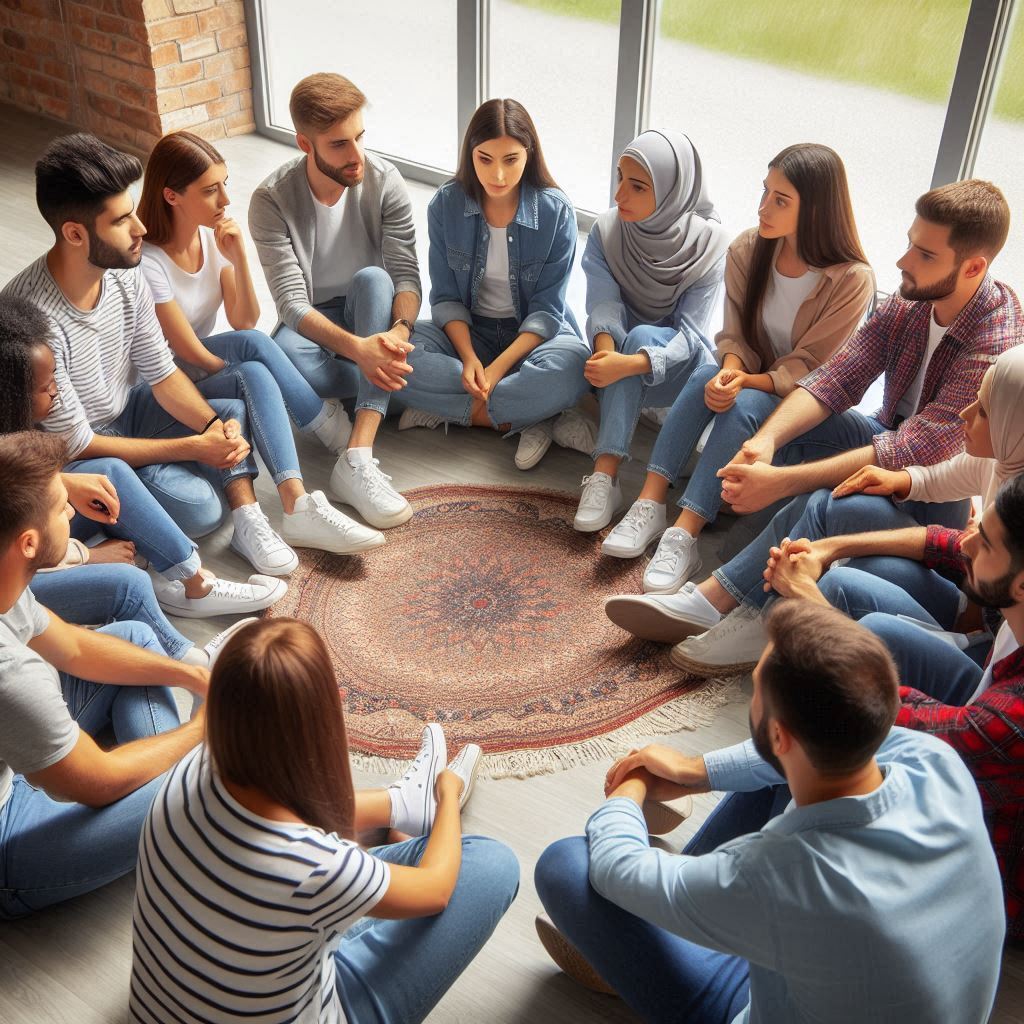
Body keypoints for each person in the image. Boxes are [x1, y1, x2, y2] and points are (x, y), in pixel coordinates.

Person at [605, 179, 1019, 658]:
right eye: (909, 243)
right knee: (750, 408)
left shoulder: (996, 338)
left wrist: (780, 481)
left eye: (924, 254)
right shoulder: (912, 296)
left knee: (824, 499)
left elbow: (913, 450)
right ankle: (685, 534)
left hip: (928, 486)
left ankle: (738, 607)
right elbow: (839, 377)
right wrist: (765, 443)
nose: (904, 261)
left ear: (973, 267)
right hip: (885, 437)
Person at [534, 601, 1004, 1022]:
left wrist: (631, 787)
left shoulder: (782, 873)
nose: (751, 693)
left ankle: (649, 939)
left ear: (780, 736)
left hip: (774, 952)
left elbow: (619, 869)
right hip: (848, 961)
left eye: (755, 687)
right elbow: (791, 756)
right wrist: (696, 771)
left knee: (567, 865)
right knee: (780, 778)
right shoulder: (936, 761)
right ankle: (683, 912)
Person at [3, 132, 385, 584]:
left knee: (231, 411)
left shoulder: (124, 275)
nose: (140, 228)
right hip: (83, 453)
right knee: (203, 511)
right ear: (74, 233)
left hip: (131, 410)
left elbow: (163, 375)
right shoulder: (34, 325)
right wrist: (194, 446)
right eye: (123, 220)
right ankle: (168, 530)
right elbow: (79, 444)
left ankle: (284, 509)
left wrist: (211, 429)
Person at [130, 617, 519, 1024]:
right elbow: (435, 891)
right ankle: (418, 806)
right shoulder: (315, 867)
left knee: (334, 899)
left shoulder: (186, 771)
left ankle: (401, 806)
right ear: (325, 712)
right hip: (316, 994)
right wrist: (448, 791)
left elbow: (277, 810)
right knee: (490, 866)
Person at [764, 473, 1024, 940]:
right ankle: (736, 869)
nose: (967, 544)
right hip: (974, 734)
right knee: (866, 628)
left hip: (985, 878)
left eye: (984, 542)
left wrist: (806, 601)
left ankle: (756, 897)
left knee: (822, 727)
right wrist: (828, 548)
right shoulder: (1013, 593)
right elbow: (939, 540)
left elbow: (880, 711)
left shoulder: (1009, 719)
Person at [598, 145, 873, 576]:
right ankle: (649, 503)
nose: (763, 207)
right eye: (765, 192)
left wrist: (745, 382)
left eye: (780, 200)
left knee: (741, 399)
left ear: (817, 210)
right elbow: (734, 336)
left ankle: (684, 533)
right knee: (711, 372)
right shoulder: (749, 247)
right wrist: (730, 368)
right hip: (752, 384)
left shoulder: (852, 279)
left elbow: (813, 367)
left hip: (805, 408)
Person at [0, 430, 212, 918]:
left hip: (22, 756)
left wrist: (192, 679)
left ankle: (195, 778)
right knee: (182, 793)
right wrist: (204, 726)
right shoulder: (12, 675)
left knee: (134, 635)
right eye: (60, 508)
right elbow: (99, 781)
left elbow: (74, 646)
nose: (71, 513)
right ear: (28, 542)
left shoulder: (6, 577)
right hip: (8, 832)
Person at [0, 293, 285, 623]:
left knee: (106, 475)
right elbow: (18, 553)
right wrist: (87, 556)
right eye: (45, 386)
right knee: (111, 472)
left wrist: (60, 481)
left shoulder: (25, 429)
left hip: (44, 526)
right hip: (27, 571)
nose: (56, 391)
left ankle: (228, 534)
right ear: (11, 393)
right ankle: (196, 584)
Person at [249, 72, 419, 528]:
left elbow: (405, 274)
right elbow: (291, 305)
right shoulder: (271, 200)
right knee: (281, 359)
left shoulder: (385, 180)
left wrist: (397, 333)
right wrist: (362, 352)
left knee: (375, 279)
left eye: (360, 137)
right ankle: (383, 391)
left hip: (375, 316)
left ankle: (357, 454)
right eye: (339, 144)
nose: (356, 155)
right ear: (306, 144)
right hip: (314, 325)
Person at [395, 98, 593, 471]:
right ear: (470, 153)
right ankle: (532, 418)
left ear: (529, 154)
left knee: (573, 367)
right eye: (485, 159)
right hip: (468, 333)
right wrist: (470, 359)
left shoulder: (555, 212)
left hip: (533, 337)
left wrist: (497, 369)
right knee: (400, 356)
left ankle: (455, 411)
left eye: (511, 160)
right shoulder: (445, 205)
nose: (497, 175)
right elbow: (447, 298)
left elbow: (547, 311)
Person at [138, 131, 353, 461]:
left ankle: (327, 424)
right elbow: (189, 351)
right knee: (254, 356)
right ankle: (330, 426)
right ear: (171, 196)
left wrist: (239, 257)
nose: (225, 199)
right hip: (166, 379)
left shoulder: (211, 239)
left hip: (193, 364)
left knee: (253, 345)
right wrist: (243, 368)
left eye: (225, 184)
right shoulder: (150, 263)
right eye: (211, 191)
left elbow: (244, 320)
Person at [573, 129, 729, 533]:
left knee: (642, 337)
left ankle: (617, 475)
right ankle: (605, 478)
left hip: (679, 367)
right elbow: (603, 305)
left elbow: (692, 334)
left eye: (637, 186)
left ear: (673, 192)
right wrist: (606, 356)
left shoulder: (708, 247)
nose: (619, 195)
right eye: (619, 179)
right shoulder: (608, 233)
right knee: (625, 339)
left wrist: (629, 363)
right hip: (622, 355)